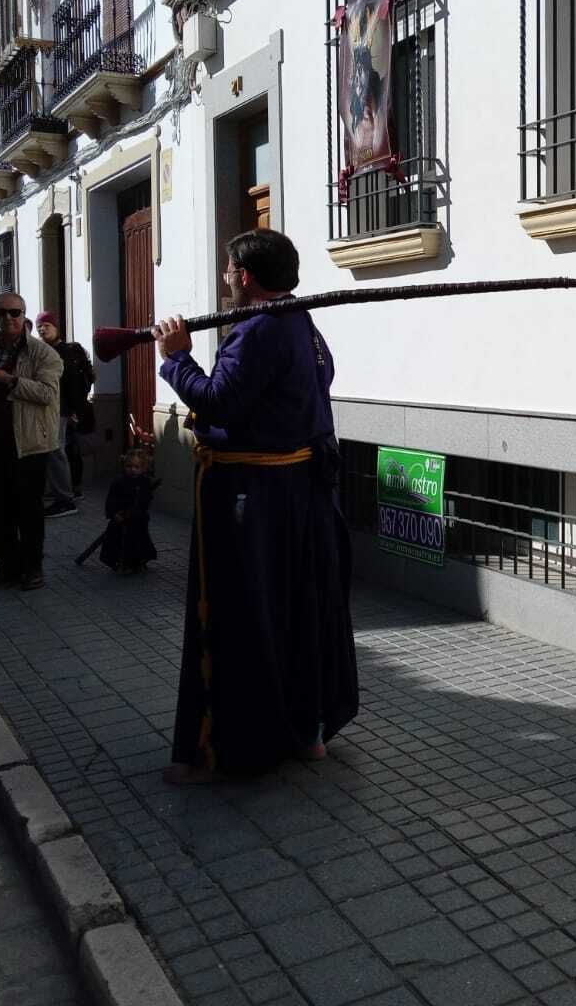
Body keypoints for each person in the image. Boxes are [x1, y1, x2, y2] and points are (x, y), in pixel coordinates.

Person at [154, 228, 357, 783]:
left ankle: (229, 749)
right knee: (299, 613)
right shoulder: (303, 323)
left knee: (243, 615)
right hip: (299, 496)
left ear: (244, 276)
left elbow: (219, 399)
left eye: (227, 270)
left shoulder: (258, 331)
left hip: (256, 503)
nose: (224, 279)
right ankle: (306, 733)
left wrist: (176, 361)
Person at [0, 292, 63, 593]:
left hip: (27, 444)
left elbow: (47, 394)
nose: (8, 318)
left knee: (28, 510)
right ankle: (7, 567)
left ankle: (32, 569)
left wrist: (10, 381)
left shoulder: (43, 353)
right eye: (1, 313)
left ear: (24, 315)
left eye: (14, 312)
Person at [34, 311, 94, 519]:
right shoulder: (44, 350)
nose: (42, 329)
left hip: (60, 410)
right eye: (39, 326)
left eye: (46, 326)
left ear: (57, 327)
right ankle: (60, 492)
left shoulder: (65, 352)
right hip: (49, 409)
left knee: (55, 450)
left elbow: (72, 384)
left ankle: (65, 499)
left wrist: (73, 411)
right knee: (55, 450)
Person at [99, 447, 158, 573]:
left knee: (138, 541)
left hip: (137, 519)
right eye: (129, 466)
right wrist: (114, 513)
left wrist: (137, 511)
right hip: (120, 518)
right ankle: (121, 563)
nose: (132, 470)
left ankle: (139, 562)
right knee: (117, 541)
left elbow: (146, 500)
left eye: (137, 467)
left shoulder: (144, 482)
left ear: (143, 468)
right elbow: (111, 499)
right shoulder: (119, 481)